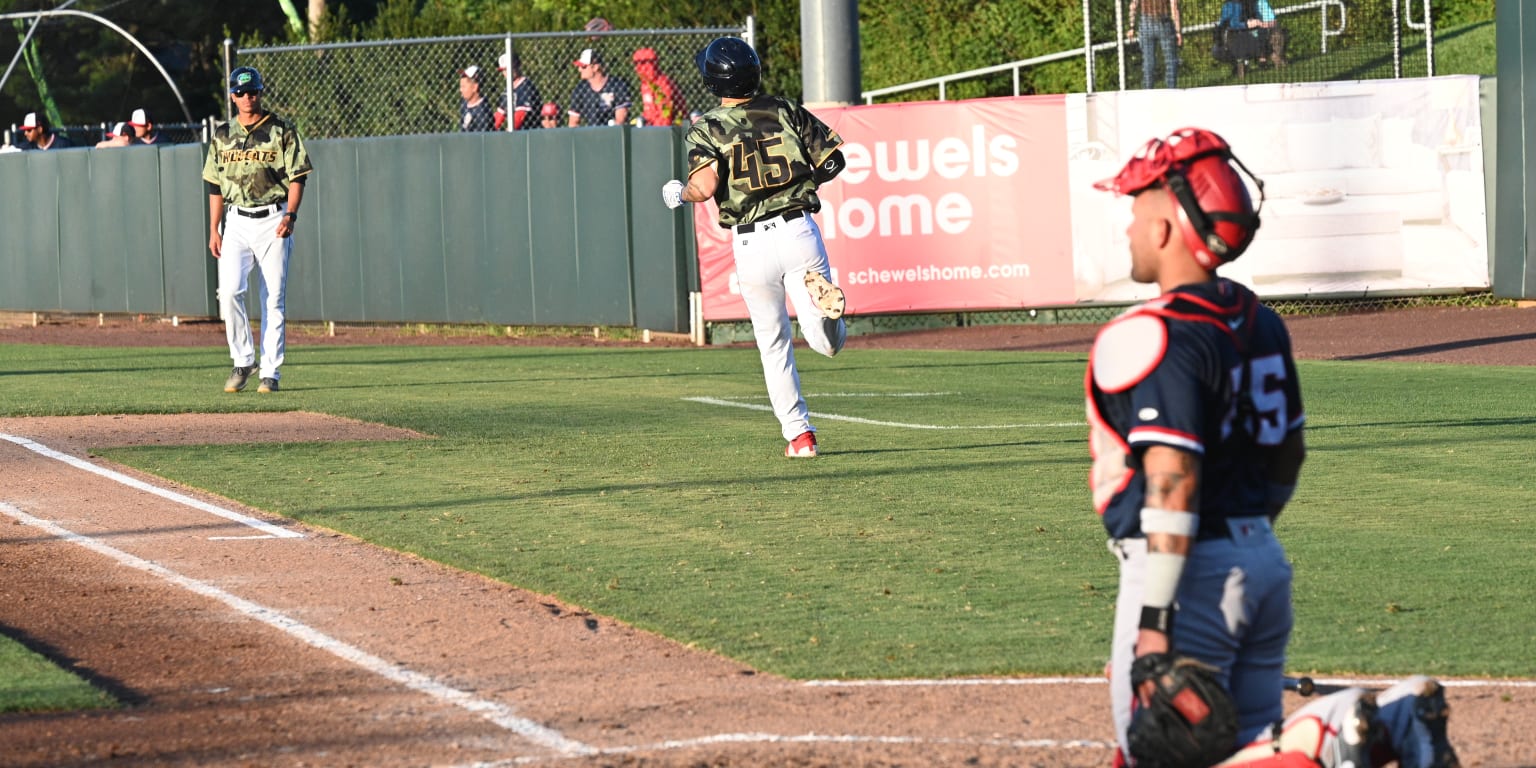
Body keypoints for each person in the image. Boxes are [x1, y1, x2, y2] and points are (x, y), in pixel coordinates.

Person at [1088, 126, 1459, 768]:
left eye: (1136, 208)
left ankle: (1351, 727)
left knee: (1154, 752)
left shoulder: (1148, 333)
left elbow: (1172, 479)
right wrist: (1248, 535)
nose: (1127, 226)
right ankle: (1360, 729)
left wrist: (1155, 615)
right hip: (1260, 559)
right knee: (1244, 748)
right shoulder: (1259, 319)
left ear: (1167, 226)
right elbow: (1288, 454)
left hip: (1184, 571)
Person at [662, 37, 849, 458]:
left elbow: (706, 185)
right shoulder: (784, 109)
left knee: (773, 342)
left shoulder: (707, 127)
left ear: (714, 81)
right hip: (799, 228)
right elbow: (834, 160)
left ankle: (800, 437)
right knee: (828, 344)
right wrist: (799, 183)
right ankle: (828, 321)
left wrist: (681, 192)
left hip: (751, 241)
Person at [202, 65, 313, 394]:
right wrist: (214, 228)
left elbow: (298, 176)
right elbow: (214, 185)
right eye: (241, 92)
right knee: (231, 293)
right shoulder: (223, 135)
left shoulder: (281, 129)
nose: (248, 97)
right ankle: (242, 360)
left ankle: (271, 372)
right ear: (232, 96)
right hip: (235, 220)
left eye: (254, 92)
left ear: (260, 93)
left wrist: (291, 214)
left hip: (273, 219)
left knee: (273, 298)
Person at [567, 48, 632, 127]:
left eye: (583, 67)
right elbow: (573, 123)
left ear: (595, 67)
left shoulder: (616, 85)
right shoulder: (580, 89)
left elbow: (620, 120)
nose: (579, 69)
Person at [1126, 0, 1182, 89]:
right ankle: (1171, 91)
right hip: (1163, 21)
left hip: (1146, 23)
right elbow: (1174, 5)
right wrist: (1178, 31)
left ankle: (1148, 92)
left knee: (1148, 62)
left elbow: (1133, 5)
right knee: (1170, 60)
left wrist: (1131, 27)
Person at [632, 47, 686, 126]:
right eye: (636, 63)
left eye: (643, 63)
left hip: (669, 128)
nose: (638, 68)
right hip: (651, 127)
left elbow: (665, 116)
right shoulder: (645, 84)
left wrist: (655, 132)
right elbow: (649, 112)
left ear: (653, 64)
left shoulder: (662, 84)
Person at [494, 51, 542, 131]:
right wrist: (490, 131)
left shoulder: (526, 86)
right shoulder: (507, 89)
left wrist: (507, 134)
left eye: (508, 69)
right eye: (503, 70)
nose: (506, 73)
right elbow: (499, 115)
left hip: (529, 133)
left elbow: (520, 116)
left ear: (517, 66)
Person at [458, 65, 495, 132]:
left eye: (463, 86)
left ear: (475, 87)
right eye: (460, 86)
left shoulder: (483, 112)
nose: (460, 90)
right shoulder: (464, 103)